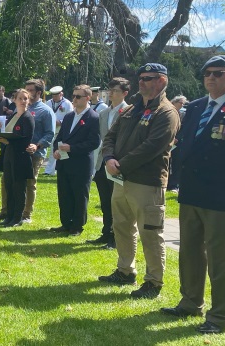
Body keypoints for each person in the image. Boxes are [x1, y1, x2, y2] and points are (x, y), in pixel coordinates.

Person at [160, 55, 225, 334]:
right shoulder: (196, 107)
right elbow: (184, 148)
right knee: (189, 252)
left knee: (221, 259)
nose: (211, 78)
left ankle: (220, 316)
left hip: (223, 198)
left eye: (217, 73)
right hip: (191, 194)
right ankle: (191, 302)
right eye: (207, 74)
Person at [98, 63, 180, 299]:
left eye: (148, 78)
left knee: (150, 233)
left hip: (147, 182)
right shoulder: (132, 109)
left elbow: (153, 147)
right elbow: (110, 136)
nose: (141, 82)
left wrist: (119, 164)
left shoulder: (166, 112)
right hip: (121, 179)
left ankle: (154, 282)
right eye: (140, 78)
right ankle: (125, 270)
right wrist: (109, 157)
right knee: (121, 226)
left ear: (162, 81)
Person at [0, 79, 55, 224]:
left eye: (30, 91)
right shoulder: (17, 111)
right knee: (8, 182)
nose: (27, 96)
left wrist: (37, 146)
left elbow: (50, 134)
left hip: (33, 152)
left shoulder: (45, 111)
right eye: (23, 94)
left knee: (28, 184)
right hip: (13, 151)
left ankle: (25, 214)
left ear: (38, 93)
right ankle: (7, 211)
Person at [50, 85, 101, 236]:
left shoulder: (93, 117)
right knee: (64, 194)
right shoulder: (69, 116)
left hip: (81, 164)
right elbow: (59, 138)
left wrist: (72, 148)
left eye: (78, 96)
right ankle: (65, 223)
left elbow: (93, 143)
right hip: (64, 162)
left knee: (79, 195)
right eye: (73, 96)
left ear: (87, 98)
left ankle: (77, 226)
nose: (74, 99)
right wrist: (56, 150)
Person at [90, 77, 130, 249]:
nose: (111, 94)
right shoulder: (104, 113)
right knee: (105, 200)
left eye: (116, 91)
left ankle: (116, 237)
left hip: (117, 163)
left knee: (117, 203)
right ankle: (106, 232)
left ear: (125, 93)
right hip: (102, 162)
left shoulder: (129, 111)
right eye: (110, 91)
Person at [0, 89, 35, 227]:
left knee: (19, 187)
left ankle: (17, 217)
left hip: (21, 156)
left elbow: (26, 140)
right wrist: (2, 132)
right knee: (9, 185)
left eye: (26, 99)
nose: (23, 101)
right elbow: (9, 133)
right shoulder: (14, 115)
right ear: (14, 100)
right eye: (20, 98)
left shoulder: (27, 117)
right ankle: (9, 216)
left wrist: (9, 141)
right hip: (9, 154)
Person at [44, 86, 73, 175]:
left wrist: (60, 122)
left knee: (57, 149)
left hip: (61, 130)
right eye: (53, 95)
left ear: (61, 94)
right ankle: (49, 171)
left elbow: (70, 117)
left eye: (56, 95)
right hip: (50, 129)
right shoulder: (48, 103)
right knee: (50, 149)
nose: (54, 97)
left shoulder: (67, 104)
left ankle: (51, 170)